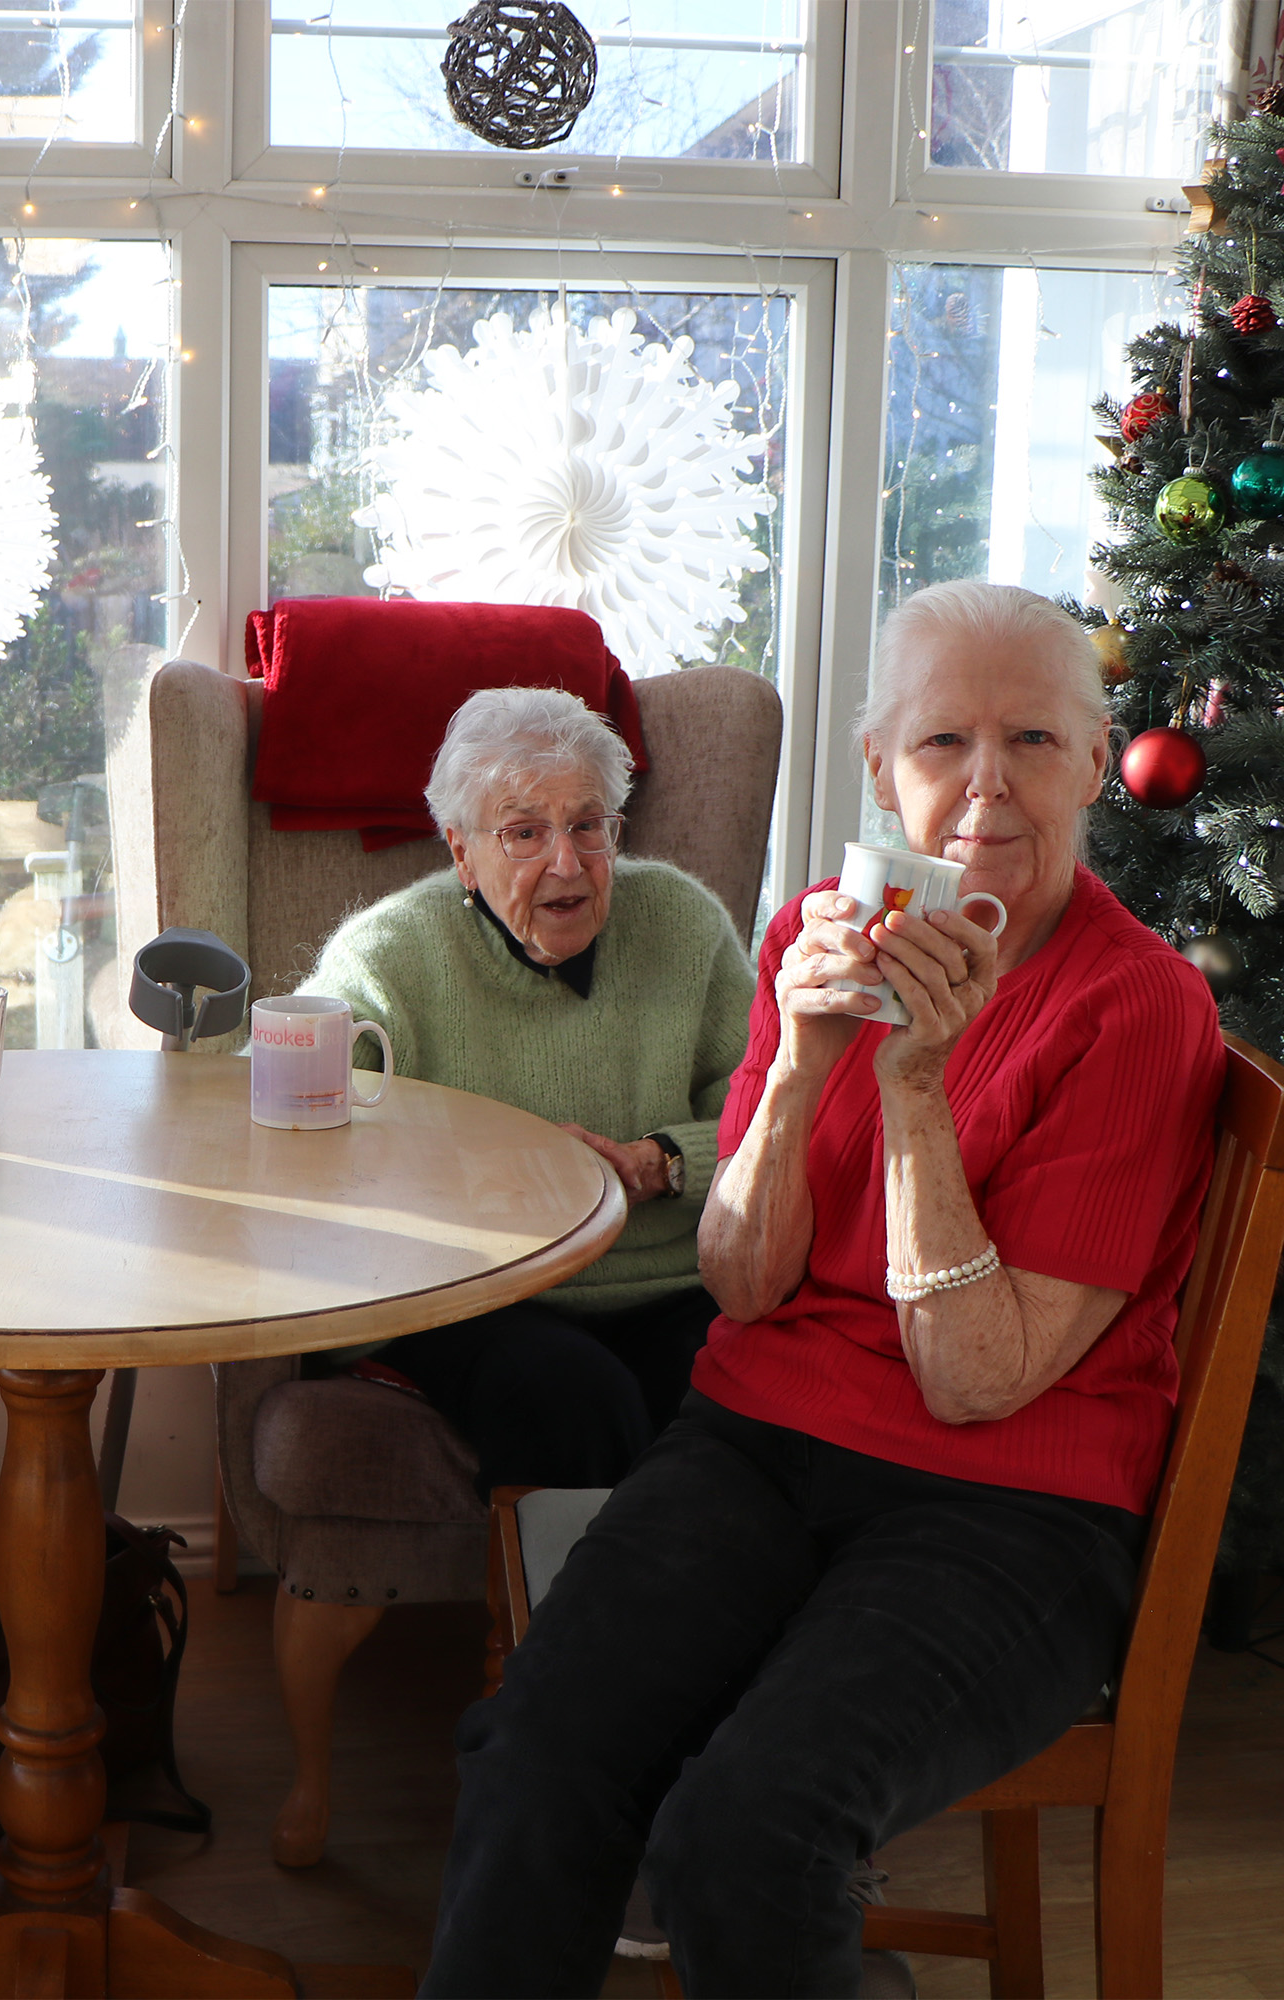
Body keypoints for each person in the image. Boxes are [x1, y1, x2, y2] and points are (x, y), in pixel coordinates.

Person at [419, 580, 1227, 1999]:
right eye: (942, 746)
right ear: (879, 771)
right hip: (758, 1445)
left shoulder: (1139, 1007)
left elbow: (977, 1380)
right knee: (535, 1749)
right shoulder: (814, 933)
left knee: (749, 1833)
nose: (985, 788)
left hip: (1012, 1509)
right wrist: (795, 1068)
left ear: (1099, 763)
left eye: (1032, 742)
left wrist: (913, 1093)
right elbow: (739, 1282)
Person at [299, 684, 755, 1492]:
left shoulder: (683, 925)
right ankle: (576, 1619)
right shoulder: (388, 958)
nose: (567, 863)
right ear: (461, 851)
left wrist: (663, 1163)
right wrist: (475, 1186)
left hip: (665, 1282)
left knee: (751, 1387)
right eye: (524, 833)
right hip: (471, 1295)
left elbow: (771, 1120)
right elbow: (307, 1153)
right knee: (572, 1397)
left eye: (588, 826)